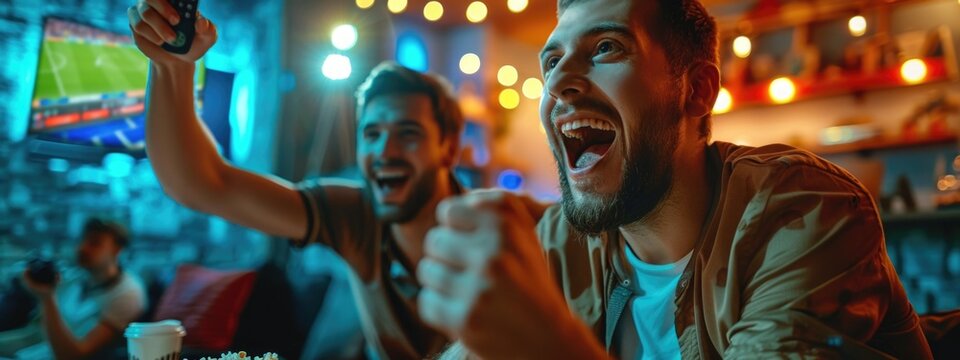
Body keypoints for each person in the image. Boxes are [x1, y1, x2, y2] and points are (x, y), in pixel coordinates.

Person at [415, 0, 934, 358]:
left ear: (697, 91)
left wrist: (549, 347)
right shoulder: (559, 242)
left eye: (606, 49)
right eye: (552, 62)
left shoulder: (804, 211)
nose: (560, 84)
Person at [125, 1, 547, 358]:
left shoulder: (506, 225)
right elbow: (201, 183)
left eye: (408, 133)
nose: (384, 151)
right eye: (372, 134)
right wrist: (172, 67)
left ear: (450, 148)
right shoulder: (356, 214)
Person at [0, 218, 146, 359]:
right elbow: (36, 334)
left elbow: (73, 356)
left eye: (95, 243)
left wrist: (47, 299)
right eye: (83, 241)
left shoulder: (128, 294)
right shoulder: (76, 280)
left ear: (117, 249)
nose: (83, 248)